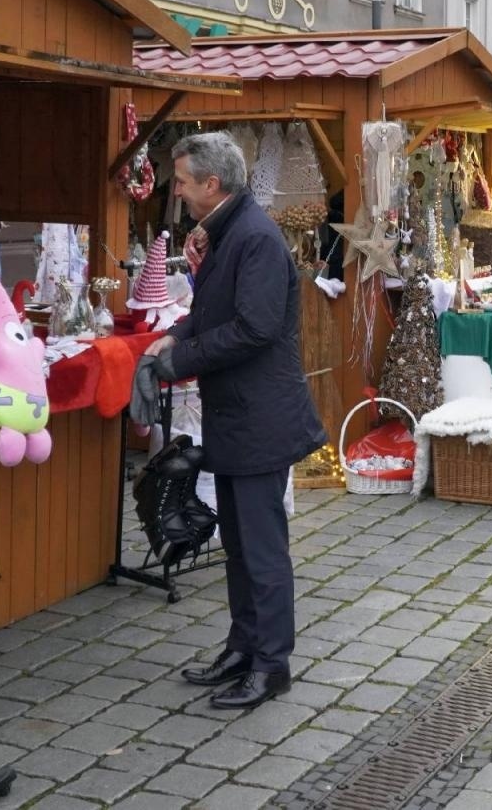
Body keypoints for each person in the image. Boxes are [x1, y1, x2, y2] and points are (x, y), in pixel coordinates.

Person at [144, 131, 325, 710]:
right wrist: (175, 336)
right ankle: (243, 648)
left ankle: (272, 665)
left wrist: (181, 360)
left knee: (262, 550)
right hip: (237, 416)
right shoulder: (229, 231)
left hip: (260, 419)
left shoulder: (255, 238)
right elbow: (210, 313)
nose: (178, 191)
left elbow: (254, 329)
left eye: (183, 182)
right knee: (240, 545)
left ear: (212, 183)